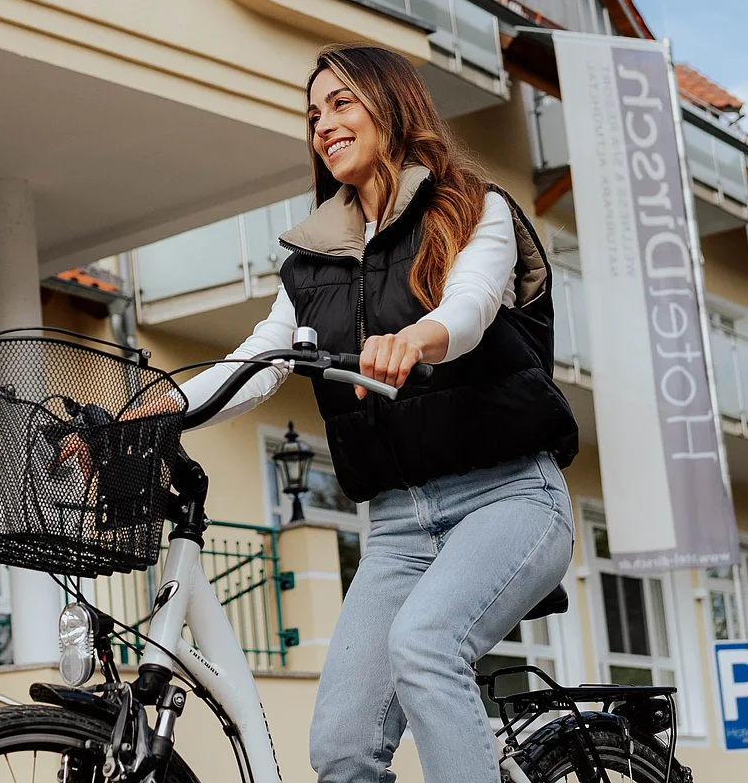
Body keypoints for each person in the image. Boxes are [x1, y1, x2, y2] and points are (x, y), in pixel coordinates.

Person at [163, 45, 581, 783]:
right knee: (344, 750)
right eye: (314, 113)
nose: (323, 124)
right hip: (394, 527)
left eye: (341, 103)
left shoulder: (471, 205)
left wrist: (418, 338)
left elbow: (474, 304)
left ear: (392, 106)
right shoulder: (311, 264)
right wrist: (144, 413)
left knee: (425, 644)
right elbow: (253, 366)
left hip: (511, 496)